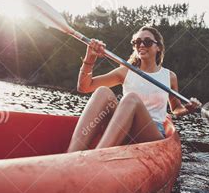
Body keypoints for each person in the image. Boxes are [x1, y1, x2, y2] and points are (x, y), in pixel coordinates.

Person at [67, 26, 201, 152]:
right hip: (124, 127)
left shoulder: (170, 76)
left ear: (158, 47)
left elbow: (176, 109)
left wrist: (187, 109)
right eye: (137, 42)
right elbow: (84, 87)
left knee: (131, 99)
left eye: (147, 42)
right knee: (103, 92)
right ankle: (71, 155)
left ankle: (98, 155)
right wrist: (90, 58)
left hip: (151, 133)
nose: (141, 45)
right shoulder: (125, 71)